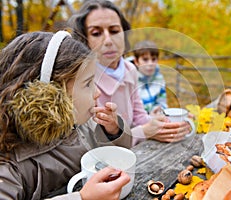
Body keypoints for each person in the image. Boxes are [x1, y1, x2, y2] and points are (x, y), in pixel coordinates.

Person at [0, 31, 132, 200]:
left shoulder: (83, 125)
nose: (97, 93)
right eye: (87, 84)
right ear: (47, 96)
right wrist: (82, 198)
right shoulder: (11, 167)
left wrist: (114, 130)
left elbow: (121, 152)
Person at [69, 0, 192, 146]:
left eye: (114, 31)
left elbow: (139, 116)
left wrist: (165, 123)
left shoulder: (130, 69)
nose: (108, 40)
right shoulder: (82, 81)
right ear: (85, 39)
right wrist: (145, 132)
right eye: (96, 33)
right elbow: (96, 142)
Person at [132, 40, 167, 115]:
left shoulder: (159, 78)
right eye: (145, 59)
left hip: (156, 119)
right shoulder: (131, 80)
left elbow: (162, 101)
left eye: (153, 59)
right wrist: (148, 115)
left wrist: (159, 110)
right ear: (136, 62)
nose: (150, 63)